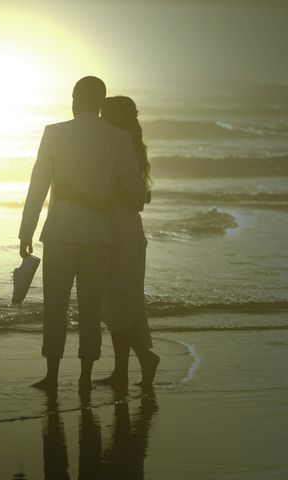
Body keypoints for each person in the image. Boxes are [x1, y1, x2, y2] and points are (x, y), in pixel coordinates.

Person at [18, 77, 147, 392]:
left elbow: (38, 185)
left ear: (75, 99)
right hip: (99, 236)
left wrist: (26, 229)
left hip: (60, 232)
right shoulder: (118, 138)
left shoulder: (54, 133)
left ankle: (51, 376)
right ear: (100, 101)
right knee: (90, 309)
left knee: (55, 306)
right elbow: (138, 192)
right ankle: (85, 378)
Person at [95, 96, 159, 388]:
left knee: (116, 301)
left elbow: (136, 197)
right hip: (120, 229)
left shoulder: (121, 146)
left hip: (121, 232)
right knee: (117, 302)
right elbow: (142, 195)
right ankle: (125, 368)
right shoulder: (130, 144)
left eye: (102, 115)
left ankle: (141, 360)